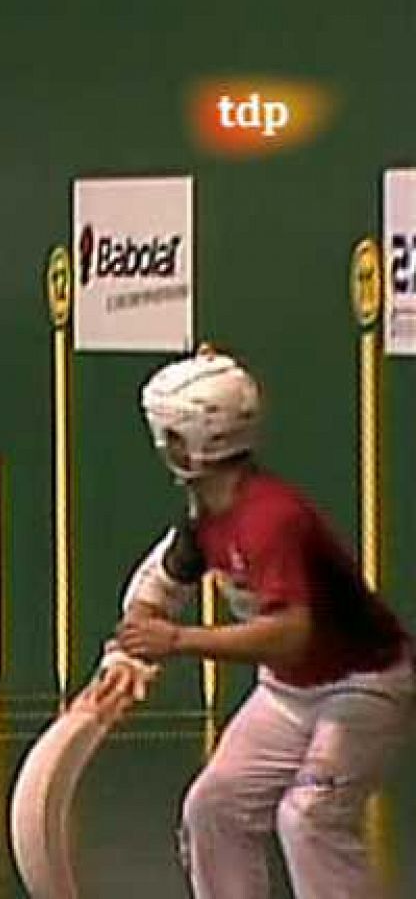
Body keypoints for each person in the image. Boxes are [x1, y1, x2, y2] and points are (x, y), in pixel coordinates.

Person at [108, 346, 413, 898]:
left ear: (192, 442)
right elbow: (162, 581)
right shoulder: (208, 511)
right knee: (213, 808)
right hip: (289, 692)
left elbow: (290, 635)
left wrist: (176, 639)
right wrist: (125, 652)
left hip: (363, 687)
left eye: (167, 433)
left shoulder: (273, 519)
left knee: (309, 817)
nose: (161, 446)